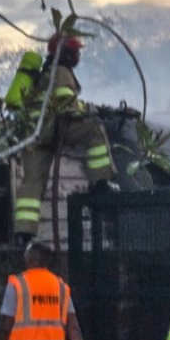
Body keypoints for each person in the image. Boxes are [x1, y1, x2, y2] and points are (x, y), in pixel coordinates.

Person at [12, 34, 118, 245]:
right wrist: (93, 110)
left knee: (32, 182)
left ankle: (23, 233)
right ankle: (101, 181)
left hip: (33, 134)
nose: (78, 56)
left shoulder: (44, 73)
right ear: (65, 53)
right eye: (75, 52)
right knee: (94, 131)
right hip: (53, 127)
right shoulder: (61, 72)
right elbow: (67, 105)